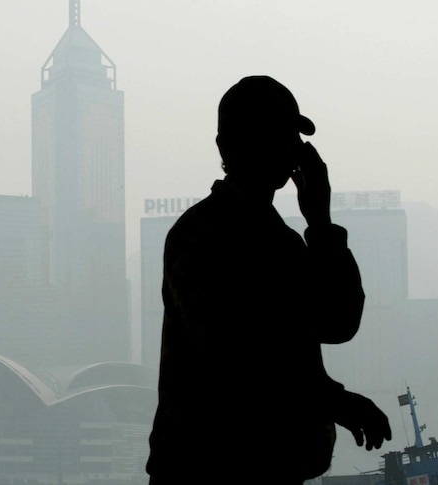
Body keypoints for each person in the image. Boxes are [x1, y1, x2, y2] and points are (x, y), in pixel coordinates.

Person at [146, 75, 392, 483]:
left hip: (271, 468)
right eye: (276, 133)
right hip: (205, 469)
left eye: (290, 135)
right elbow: (235, 357)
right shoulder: (201, 235)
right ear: (230, 147)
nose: (289, 146)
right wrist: (334, 401)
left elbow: (338, 322)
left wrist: (321, 225)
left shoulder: (285, 242)